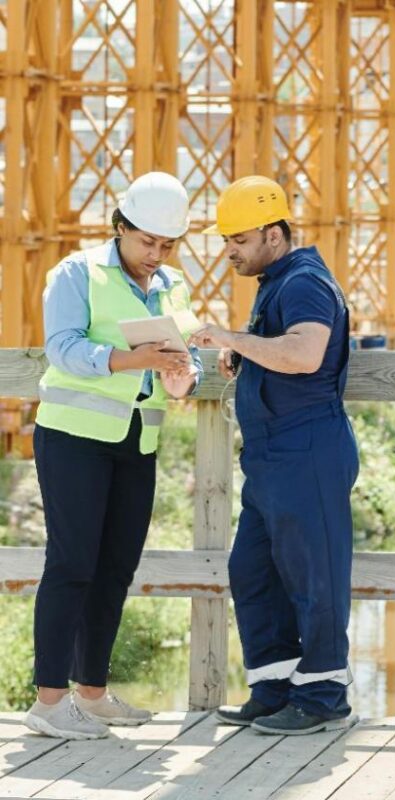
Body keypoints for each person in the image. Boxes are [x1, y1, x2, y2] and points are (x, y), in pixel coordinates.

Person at [24, 172, 202, 740]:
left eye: (167, 245)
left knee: (114, 571)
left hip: (137, 440)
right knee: (72, 564)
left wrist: (182, 374)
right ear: (120, 227)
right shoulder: (77, 272)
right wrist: (134, 358)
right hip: (74, 436)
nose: (157, 254)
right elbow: (64, 348)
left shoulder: (172, 284)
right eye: (147, 241)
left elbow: (183, 360)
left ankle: (92, 694)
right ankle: (49, 702)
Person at [189, 175, 359, 736]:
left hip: (306, 448)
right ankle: (275, 687)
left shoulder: (305, 281)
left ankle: (325, 696)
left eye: (238, 239)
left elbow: (306, 354)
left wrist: (233, 339)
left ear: (274, 233)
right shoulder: (276, 280)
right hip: (271, 457)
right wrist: (248, 356)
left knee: (316, 574)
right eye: (226, 239)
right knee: (254, 569)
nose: (229, 250)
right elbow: (280, 350)